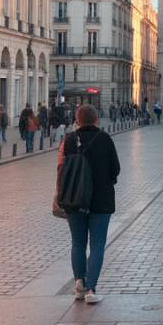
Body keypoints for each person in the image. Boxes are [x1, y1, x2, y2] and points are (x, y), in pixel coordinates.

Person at [53, 104, 121, 304]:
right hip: (101, 201)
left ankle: (79, 284)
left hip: (74, 200)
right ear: (96, 120)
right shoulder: (105, 139)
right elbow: (115, 169)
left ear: (77, 120)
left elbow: (60, 168)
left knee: (78, 243)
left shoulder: (68, 141)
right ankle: (91, 289)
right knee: (97, 245)